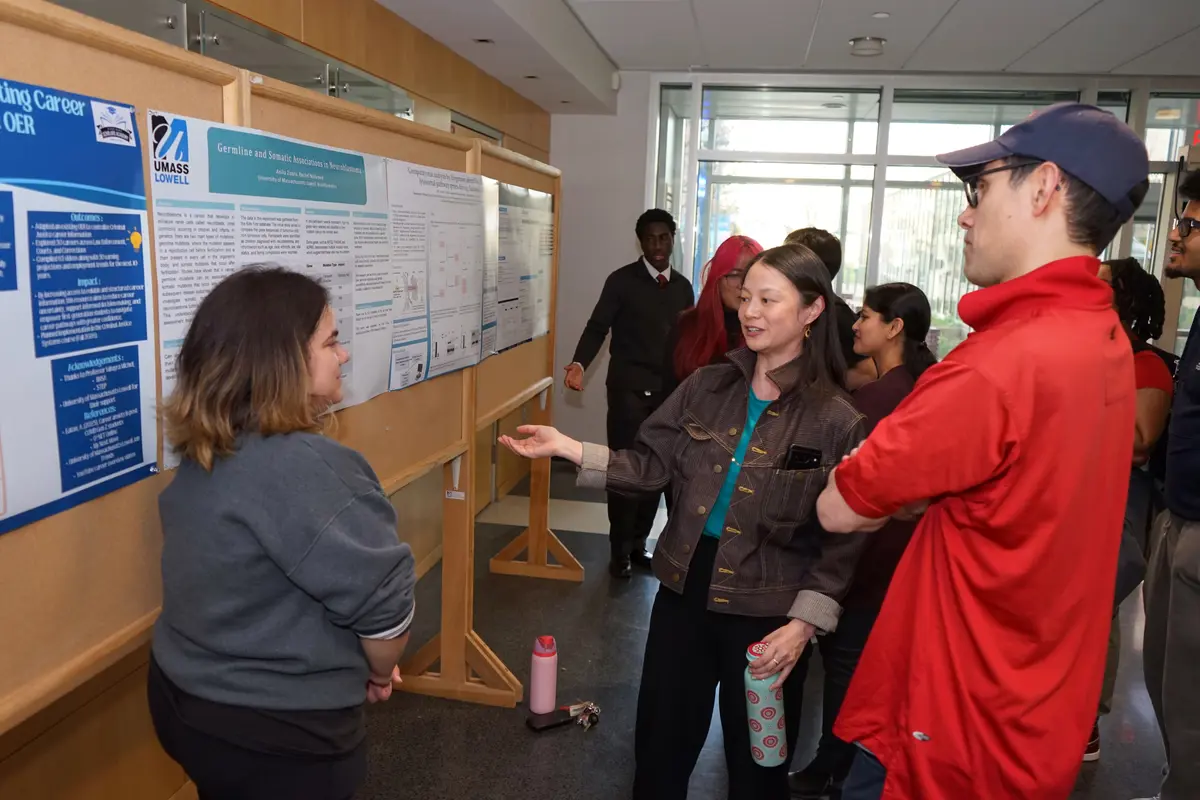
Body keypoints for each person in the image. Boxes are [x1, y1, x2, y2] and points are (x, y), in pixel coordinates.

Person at [815, 102, 1150, 799]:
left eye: (981, 189)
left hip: (951, 719)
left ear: (1043, 187)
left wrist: (904, 493)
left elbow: (841, 505)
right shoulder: (1103, 337)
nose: (967, 215)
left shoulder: (998, 362)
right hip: (1034, 706)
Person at [503, 244, 868, 800]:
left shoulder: (837, 420)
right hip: (683, 592)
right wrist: (571, 448)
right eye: (745, 297)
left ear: (812, 310)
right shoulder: (708, 386)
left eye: (769, 300)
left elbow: (842, 540)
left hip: (768, 616)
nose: (750, 312)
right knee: (660, 751)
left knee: (758, 766)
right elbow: (650, 465)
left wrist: (803, 626)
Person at [148, 267, 417, 800]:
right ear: (282, 362)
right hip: (278, 736)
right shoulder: (313, 469)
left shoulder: (207, 449)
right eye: (332, 342)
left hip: (185, 701)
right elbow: (386, 619)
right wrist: (380, 672)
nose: (343, 356)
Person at [788, 283, 936, 799]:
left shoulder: (876, 399)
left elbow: (849, 488)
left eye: (868, 317)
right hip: (901, 548)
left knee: (846, 664)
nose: (857, 324)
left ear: (895, 328)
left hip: (870, 548)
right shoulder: (917, 385)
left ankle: (835, 766)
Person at [565, 208, 695, 578]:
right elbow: (597, 328)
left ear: (673, 239)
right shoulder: (621, 281)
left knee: (656, 473)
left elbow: (690, 341)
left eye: (664, 237)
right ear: (640, 241)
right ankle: (618, 550)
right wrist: (578, 363)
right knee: (624, 472)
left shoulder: (684, 287)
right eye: (650, 238)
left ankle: (639, 546)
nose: (658, 245)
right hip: (627, 393)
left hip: (670, 394)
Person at [1084, 256, 1173, 764]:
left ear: (1124, 299)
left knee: (1097, 612)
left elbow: (1140, 441)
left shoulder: (1145, 363)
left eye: (1098, 285)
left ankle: (1087, 723)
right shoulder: (1093, 353)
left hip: (1118, 502)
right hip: (1081, 496)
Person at [1138, 168, 1200, 800]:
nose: (1175, 234)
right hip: (1175, 517)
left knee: (1191, 695)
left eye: (1189, 224)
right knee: (1166, 679)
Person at [665, 234, 763, 391]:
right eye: (735, 275)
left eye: (750, 275)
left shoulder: (768, 331)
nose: (743, 284)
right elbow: (667, 397)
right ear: (716, 278)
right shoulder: (687, 326)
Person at [785, 228, 877, 390]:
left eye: (787, 259)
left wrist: (815, 393)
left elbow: (867, 371)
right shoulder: (787, 304)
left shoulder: (837, 313)